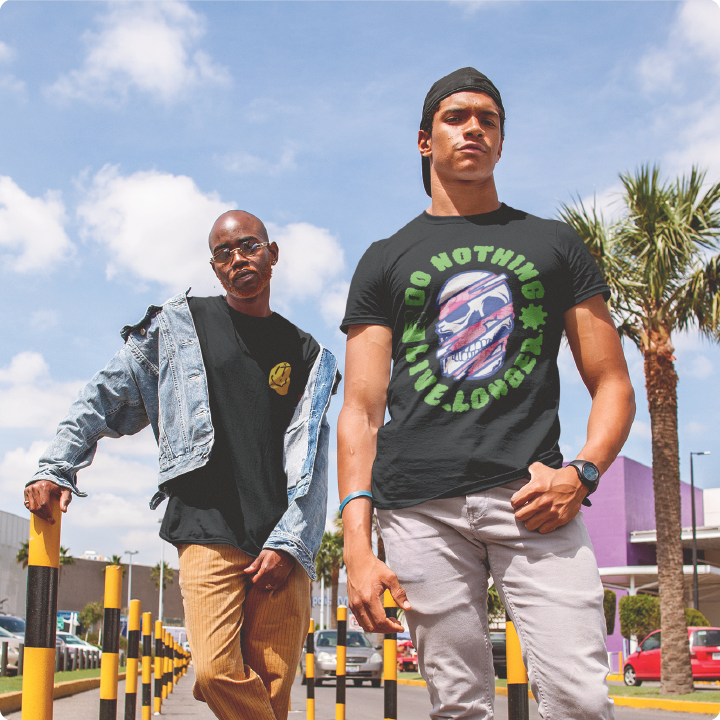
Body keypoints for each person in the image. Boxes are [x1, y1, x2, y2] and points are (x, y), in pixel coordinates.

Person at [337, 68, 635, 719]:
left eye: (488, 119)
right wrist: (357, 543)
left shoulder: (553, 244)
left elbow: (612, 381)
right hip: (417, 508)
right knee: (460, 707)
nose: (474, 127)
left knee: (581, 699)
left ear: (501, 140)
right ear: (424, 140)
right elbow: (360, 411)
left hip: (534, 499)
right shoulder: (385, 259)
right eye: (456, 116)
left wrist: (582, 472)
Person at [24, 210, 339, 720]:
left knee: (275, 688)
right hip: (206, 527)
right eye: (224, 252)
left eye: (250, 246)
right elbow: (105, 393)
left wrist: (292, 542)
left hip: (280, 540)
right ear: (215, 267)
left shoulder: (306, 353)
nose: (238, 258)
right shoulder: (180, 326)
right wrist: (56, 464)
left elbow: (314, 463)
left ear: (272, 253)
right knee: (215, 672)